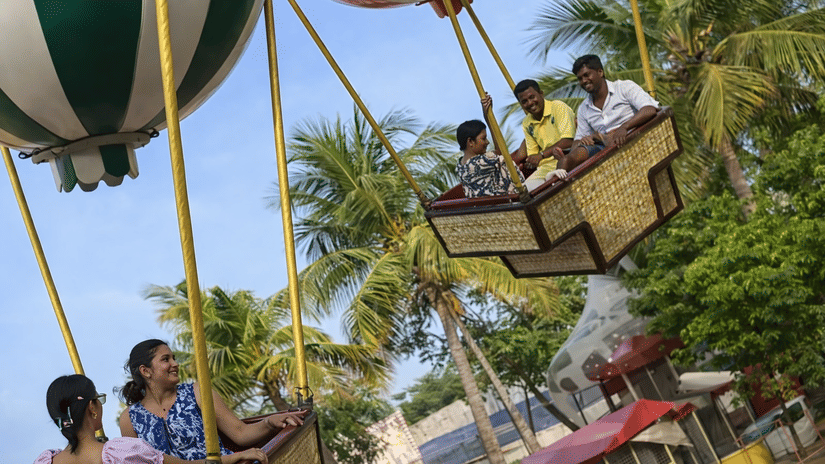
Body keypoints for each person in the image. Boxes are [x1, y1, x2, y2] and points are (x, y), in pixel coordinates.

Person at [117, 339, 305, 460]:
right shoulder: (129, 419)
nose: (175, 364)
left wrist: (270, 422)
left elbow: (240, 433)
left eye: (173, 358)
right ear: (146, 371)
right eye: (166, 359)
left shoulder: (197, 392)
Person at [34, 374, 268, 464]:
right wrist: (235, 457)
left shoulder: (45, 461)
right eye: (99, 399)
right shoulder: (121, 454)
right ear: (92, 408)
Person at [565, 54, 660, 169]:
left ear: (600, 72)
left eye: (586, 75)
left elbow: (649, 109)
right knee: (568, 160)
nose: (584, 81)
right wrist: (583, 141)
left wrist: (624, 127)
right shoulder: (583, 108)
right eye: (580, 78)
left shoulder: (624, 87)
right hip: (607, 156)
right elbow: (577, 141)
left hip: (635, 142)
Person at [512, 79, 576, 191]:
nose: (530, 103)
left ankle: (550, 178)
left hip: (566, 158)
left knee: (552, 180)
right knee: (524, 190)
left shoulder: (558, 107)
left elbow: (568, 141)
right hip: (544, 168)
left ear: (541, 94)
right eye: (524, 101)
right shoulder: (527, 123)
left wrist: (541, 155)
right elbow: (533, 155)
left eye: (532, 97)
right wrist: (530, 161)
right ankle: (549, 177)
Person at [456, 112, 525, 198]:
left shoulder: (460, 166)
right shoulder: (479, 163)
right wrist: (489, 120)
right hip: (504, 202)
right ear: (470, 142)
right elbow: (500, 151)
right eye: (483, 138)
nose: (487, 142)